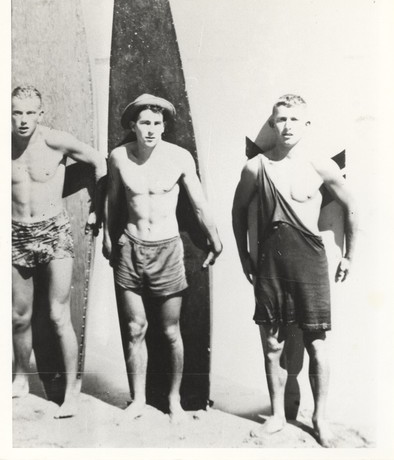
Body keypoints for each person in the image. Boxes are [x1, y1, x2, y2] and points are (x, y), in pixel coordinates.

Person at [232, 94, 358, 447]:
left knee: (317, 343)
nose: (287, 126)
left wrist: (349, 255)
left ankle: (320, 417)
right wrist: (244, 255)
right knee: (272, 343)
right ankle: (276, 415)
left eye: (294, 119)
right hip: (270, 260)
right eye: (281, 119)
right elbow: (238, 212)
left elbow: (351, 208)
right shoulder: (256, 167)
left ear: (306, 124)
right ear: (272, 123)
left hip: (310, 260)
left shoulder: (320, 166)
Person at [103, 93, 222, 423]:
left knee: (170, 332)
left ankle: (174, 402)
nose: (151, 130)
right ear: (133, 125)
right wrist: (109, 238)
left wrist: (215, 239)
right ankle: (138, 400)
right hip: (130, 246)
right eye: (145, 123)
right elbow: (113, 200)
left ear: (164, 126)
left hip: (167, 249)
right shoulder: (119, 157)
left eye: (157, 123)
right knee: (134, 328)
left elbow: (199, 204)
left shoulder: (179, 157)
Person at [12, 85, 107, 418]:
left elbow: (98, 161)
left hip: (54, 233)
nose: (23, 120)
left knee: (57, 315)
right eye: (16, 112)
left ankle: (72, 392)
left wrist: (98, 209)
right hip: (15, 234)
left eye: (29, 113)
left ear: (40, 113)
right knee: (18, 316)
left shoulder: (55, 141)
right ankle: (21, 378)